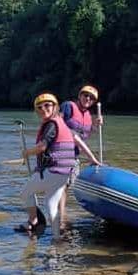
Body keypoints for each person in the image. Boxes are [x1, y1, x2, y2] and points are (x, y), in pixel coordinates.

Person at [18, 93, 101, 239]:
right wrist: (93, 159)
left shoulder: (51, 124)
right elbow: (79, 141)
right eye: (40, 107)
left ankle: (34, 220)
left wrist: (26, 153)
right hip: (63, 175)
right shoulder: (64, 126)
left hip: (51, 171)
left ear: (55, 107)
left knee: (25, 193)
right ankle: (57, 240)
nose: (43, 109)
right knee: (51, 206)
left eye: (47, 105)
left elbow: (42, 147)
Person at [57, 85, 104, 230]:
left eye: (91, 98)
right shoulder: (68, 106)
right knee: (61, 184)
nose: (88, 99)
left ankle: (61, 213)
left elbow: (86, 136)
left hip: (75, 154)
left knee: (68, 185)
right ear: (80, 95)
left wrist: (96, 126)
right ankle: (61, 215)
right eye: (86, 95)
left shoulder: (89, 116)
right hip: (61, 151)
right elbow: (57, 123)